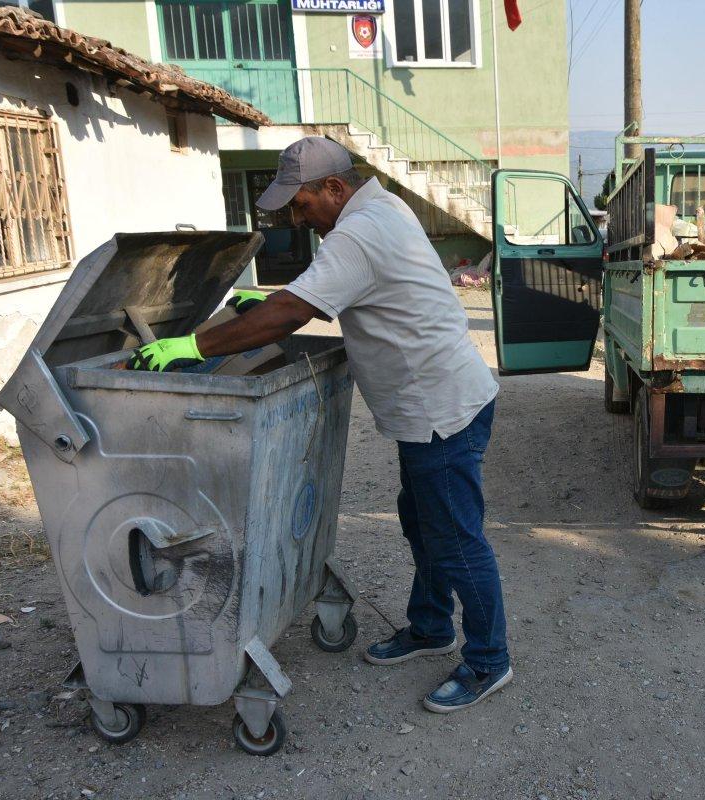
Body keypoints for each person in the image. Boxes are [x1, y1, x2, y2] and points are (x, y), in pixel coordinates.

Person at [130, 137, 512, 713]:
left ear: (334, 187)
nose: (296, 218)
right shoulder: (378, 209)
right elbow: (321, 289)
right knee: (423, 523)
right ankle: (432, 627)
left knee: (455, 539)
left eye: (301, 204)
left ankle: (489, 661)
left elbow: (293, 311)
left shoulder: (361, 231)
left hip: (440, 409)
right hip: (433, 404)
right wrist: (263, 304)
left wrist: (191, 345)